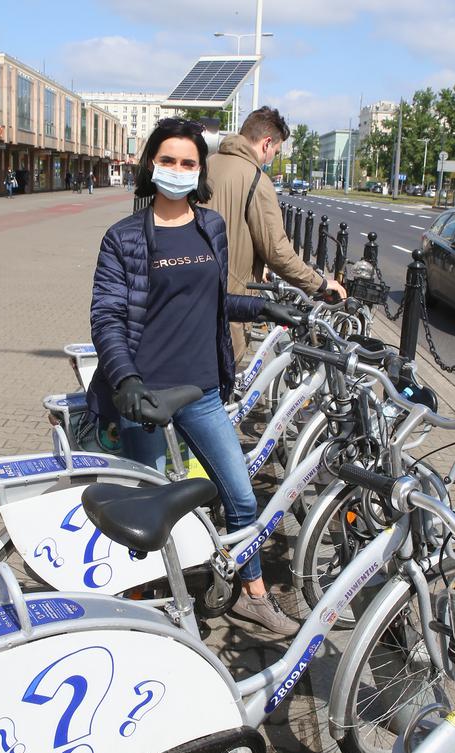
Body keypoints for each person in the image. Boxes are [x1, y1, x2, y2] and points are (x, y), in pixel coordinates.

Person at [86, 117, 303, 635]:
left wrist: (261, 308)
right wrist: (126, 382)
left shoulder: (211, 226)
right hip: (146, 399)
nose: (178, 171)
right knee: (150, 519)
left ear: (200, 170)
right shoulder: (124, 238)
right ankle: (148, 609)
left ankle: (252, 593)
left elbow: (211, 300)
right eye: (169, 160)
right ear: (150, 165)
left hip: (202, 390)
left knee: (241, 495)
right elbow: (107, 317)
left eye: (188, 163)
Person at [206, 105, 346, 363]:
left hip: (191, 294)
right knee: (221, 387)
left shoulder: (208, 164)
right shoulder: (255, 179)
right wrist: (322, 284)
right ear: (267, 143)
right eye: (276, 151)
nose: (271, 158)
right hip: (229, 303)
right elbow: (277, 251)